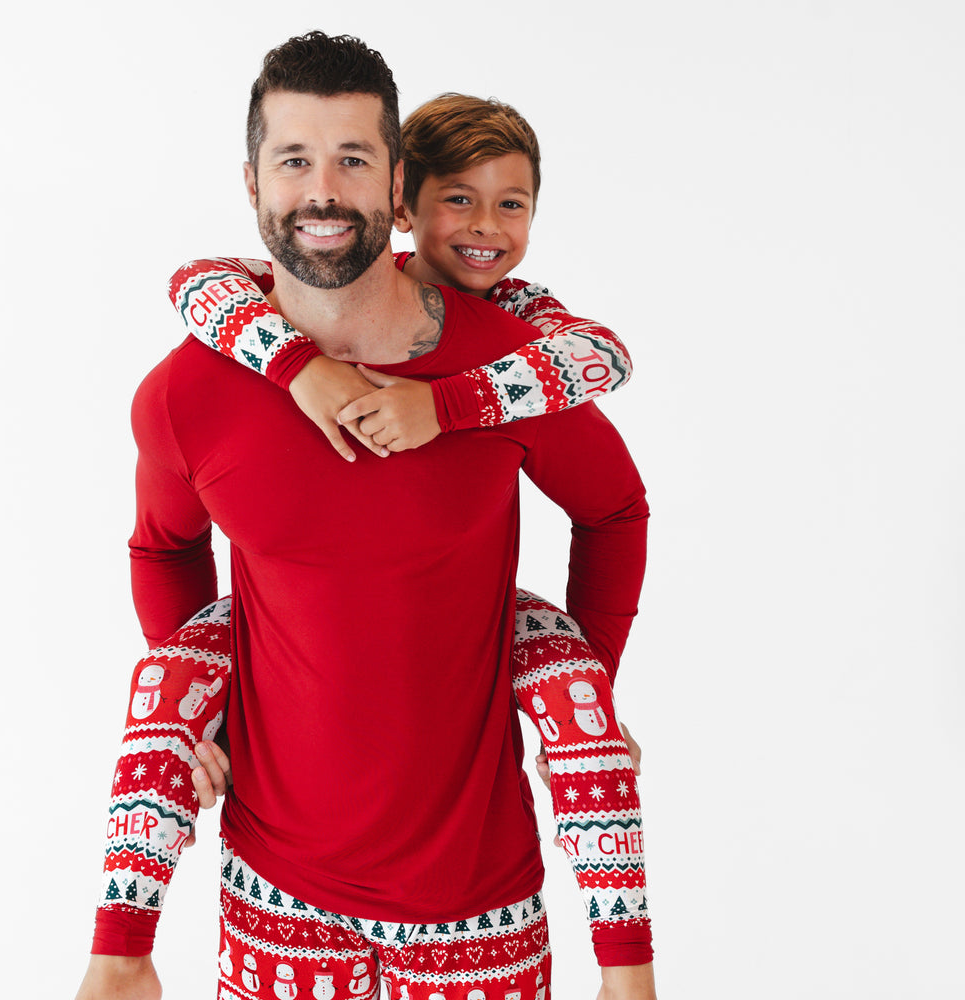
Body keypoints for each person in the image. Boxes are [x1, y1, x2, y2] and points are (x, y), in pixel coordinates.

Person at [76, 32, 652, 1000]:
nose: (320, 189)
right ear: (251, 182)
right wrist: (196, 722)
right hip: (272, 898)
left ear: (395, 187)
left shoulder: (501, 367)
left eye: (351, 158)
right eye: (293, 159)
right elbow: (164, 545)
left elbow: (616, 509)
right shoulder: (188, 391)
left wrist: (582, 690)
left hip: (479, 906)